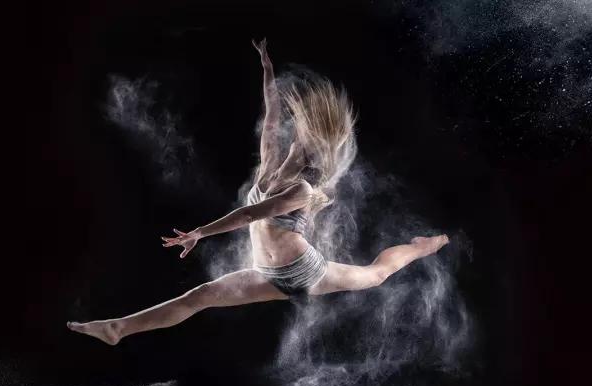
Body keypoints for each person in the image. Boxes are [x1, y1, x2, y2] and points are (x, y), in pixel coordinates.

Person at [67, 39, 449, 346]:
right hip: (268, 273)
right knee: (199, 296)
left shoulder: (301, 189)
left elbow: (251, 214)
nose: (294, 136)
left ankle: (424, 245)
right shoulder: (269, 165)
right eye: (298, 134)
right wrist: (266, 69)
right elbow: (271, 117)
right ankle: (117, 329)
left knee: (376, 274)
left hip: (302, 272)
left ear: (308, 154)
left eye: (303, 139)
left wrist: (200, 232)